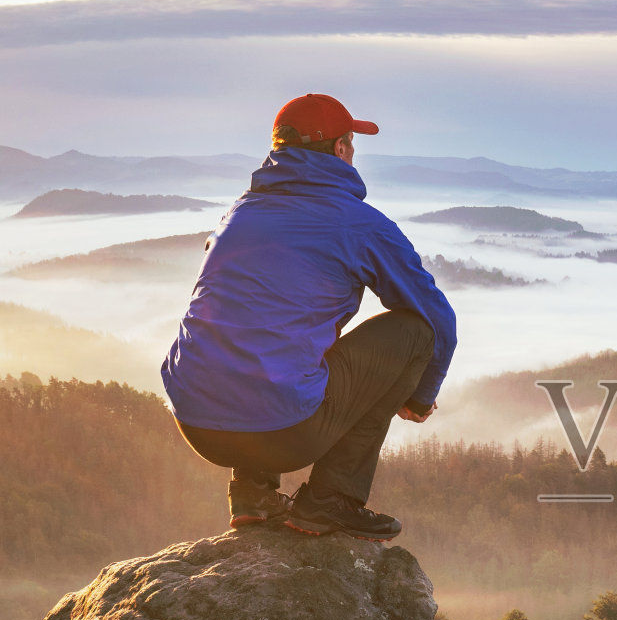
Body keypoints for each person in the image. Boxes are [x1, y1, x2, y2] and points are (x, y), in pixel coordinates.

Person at [162, 93, 456, 542]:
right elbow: (437, 319)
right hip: (283, 432)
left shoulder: (238, 213)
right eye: (351, 143)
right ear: (340, 149)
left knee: (261, 325)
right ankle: (330, 500)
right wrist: (419, 396)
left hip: (196, 422)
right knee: (415, 332)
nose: (353, 152)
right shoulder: (358, 223)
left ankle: (253, 495)